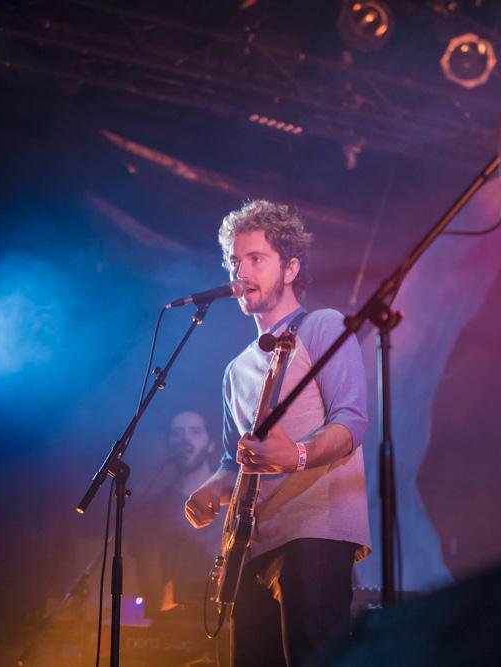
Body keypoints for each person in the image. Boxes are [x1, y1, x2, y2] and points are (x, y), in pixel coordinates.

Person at [184, 200, 371, 667]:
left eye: (256, 258)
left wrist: (298, 455)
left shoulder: (324, 326)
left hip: (314, 531)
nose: (240, 271)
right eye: (235, 260)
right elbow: (235, 462)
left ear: (290, 268)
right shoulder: (234, 371)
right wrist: (211, 489)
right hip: (250, 547)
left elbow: (352, 421)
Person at [135, 410, 221, 616]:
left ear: (211, 444)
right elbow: (150, 584)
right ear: (169, 444)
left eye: (195, 431)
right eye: (177, 433)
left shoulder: (236, 498)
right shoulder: (152, 509)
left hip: (228, 617)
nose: (185, 439)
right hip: (175, 620)